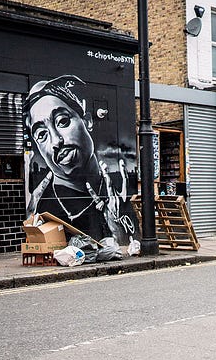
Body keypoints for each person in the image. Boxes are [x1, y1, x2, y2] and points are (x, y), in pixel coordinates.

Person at [24, 75, 134, 246]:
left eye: (62, 121)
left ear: (87, 120)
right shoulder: (43, 206)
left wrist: (118, 229)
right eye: (42, 134)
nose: (56, 141)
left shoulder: (120, 191)